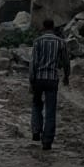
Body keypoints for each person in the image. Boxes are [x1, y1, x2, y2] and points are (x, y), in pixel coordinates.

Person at [29, 18, 70, 151]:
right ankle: (47, 141)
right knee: (50, 110)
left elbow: (33, 62)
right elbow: (65, 61)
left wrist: (31, 80)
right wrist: (66, 77)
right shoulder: (61, 42)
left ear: (43, 27)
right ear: (53, 27)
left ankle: (36, 129)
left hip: (39, 78)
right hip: (52, 79)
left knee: (36, 104)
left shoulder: (37, 42)